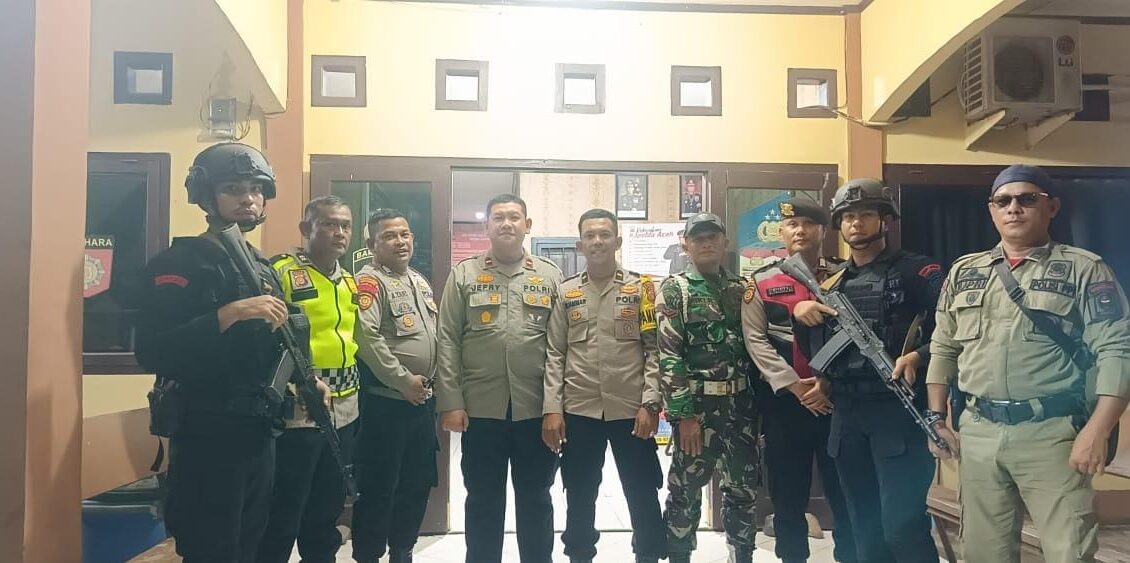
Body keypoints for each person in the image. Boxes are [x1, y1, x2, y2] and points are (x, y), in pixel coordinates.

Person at [135, 142, 329, 562]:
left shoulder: (259, 266)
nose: (248, 199)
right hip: (206, 433)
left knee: (252, 545)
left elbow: (279, 337)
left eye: (256, 189)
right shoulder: (181, 263)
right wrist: (227, 314)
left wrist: (306, 378)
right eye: (233, 189)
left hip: (259, 432)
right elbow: (152, 350)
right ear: (207, 196)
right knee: (211, 548)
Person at [926, 165, 1130, 563]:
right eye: (1003, 201)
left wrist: (1098, 430)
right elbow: (943, 346)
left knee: (1068, 552)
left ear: (1052, 207)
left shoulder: (1084, 268)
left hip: (1053, 435)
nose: (1014, 208)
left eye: (1027, 199)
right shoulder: (965, 271)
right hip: (979, 434)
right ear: (991, 210)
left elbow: (1116, 350)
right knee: (984, 554)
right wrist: (936, 418)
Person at [791, 178, 943, 563]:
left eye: (865, 215)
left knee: (902, 527)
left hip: (897, 412)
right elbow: (819, 351)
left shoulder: (917, 271)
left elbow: (955, 330)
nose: (856, 223)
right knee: (863, 528)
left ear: (885, 220)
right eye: (848, 217)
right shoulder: (832, 283)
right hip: (847, 416)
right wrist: (801, 314)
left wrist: (918, 356)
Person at [434, 194, 564, 563]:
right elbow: (448, 340)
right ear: (486, 226)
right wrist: (451, 402)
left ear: (527, 225)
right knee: (483, 500)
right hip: (481, 410)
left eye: (514, 217)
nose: (507, 223)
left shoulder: (549, 275)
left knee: (536, 498)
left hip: (535, 410)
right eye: (499, 217)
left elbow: (559, 346)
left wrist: (554, 407)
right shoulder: (465, 274)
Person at [542, 208, 667, 563]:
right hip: (580, 411)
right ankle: (580, 555)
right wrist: (552, 409)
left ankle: (648, 555)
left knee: (642, 491)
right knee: (580, 493)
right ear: (580, 244)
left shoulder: (641, 289)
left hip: (632, 411)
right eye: (590, 236)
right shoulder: (566, 293)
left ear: (618, 241)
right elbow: (555, 354)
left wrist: (650, 404)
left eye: (604, 234)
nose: (597, 241)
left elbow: (654, 350)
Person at [741, 197, 856, 563]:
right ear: (782, 232)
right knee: (787, 494)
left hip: (837, 401)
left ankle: (851, 556)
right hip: (785, 405)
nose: (800, 230)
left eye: (808, 224)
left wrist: (827, 383)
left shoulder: (846, 275)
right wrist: (794, 385)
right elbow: (755, 341)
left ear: (823, 230)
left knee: (846, 491)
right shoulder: (762, 281)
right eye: (792, 225)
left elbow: (859, 334)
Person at [257, 195, 360, 563]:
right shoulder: (281, 271)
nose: (339, 232)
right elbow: (265, 338)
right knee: (285, 506)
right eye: (330, 224)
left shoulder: (349, 281)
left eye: (345, 226)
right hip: (299, 405)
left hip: (345, 406)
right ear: (306, 229)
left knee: (326, 506)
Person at [656, 212, 759, 563]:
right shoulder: (676, 289)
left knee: (743, 490)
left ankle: (741, 555)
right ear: (686, 245)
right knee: (685, 492)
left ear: (725, 243)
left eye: (713, 237)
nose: (706, 243)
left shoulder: (742, 289)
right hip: (697, 411)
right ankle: (679, 556)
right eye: (698, 238)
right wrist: (683, 416)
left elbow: (756, 347)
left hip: (740, 407)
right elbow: (669, 356)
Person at [351, 209, 439, 563]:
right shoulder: (369, 281)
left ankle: (403, 550)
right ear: (372, 243)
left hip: (420, 403)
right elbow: (366, 337)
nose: (400, 241)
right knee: (378, 489)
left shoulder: (418, 280)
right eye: (389, 236)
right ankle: (369, 555)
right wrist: (403, 380)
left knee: (416, 485)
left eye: (404, 234)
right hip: (386, 404)